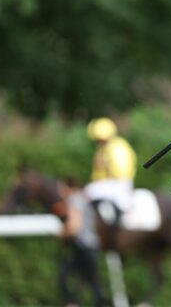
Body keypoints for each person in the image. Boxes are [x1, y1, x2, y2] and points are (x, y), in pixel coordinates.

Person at [58, 178, 109, 307]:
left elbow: (74, 226)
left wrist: (60, 234)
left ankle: (73, 303)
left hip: (84, 246)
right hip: (88, 246)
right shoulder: (83, 198)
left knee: (70, 276)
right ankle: (73, 302)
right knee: (87, 280)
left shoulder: (74, 199)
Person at [85, 117, 137, 225]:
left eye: (100, 140)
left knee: (88, 191)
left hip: (119, 183)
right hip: (110, 184)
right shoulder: (104, 149)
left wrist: (105, 166)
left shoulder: (117, 147)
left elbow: (121, 172)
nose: (99, 143)